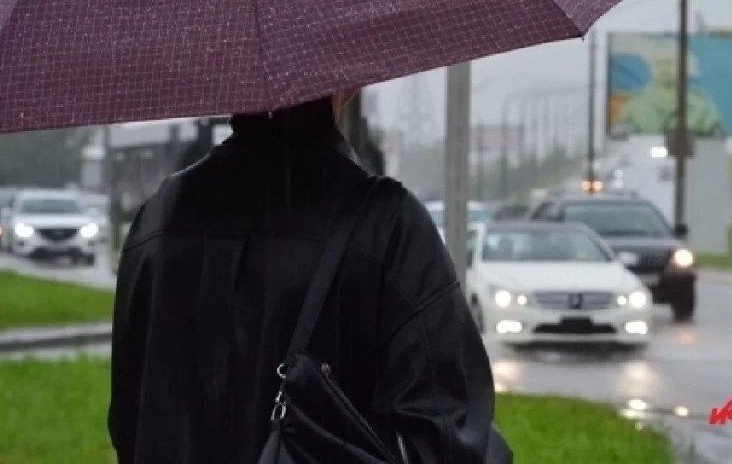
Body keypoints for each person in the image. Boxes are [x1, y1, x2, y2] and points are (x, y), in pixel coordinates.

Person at [109, 95, 494, 464]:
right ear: (348, 84)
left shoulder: (158, 220)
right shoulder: (388, 227)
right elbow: (445, 437)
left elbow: (129, 418)